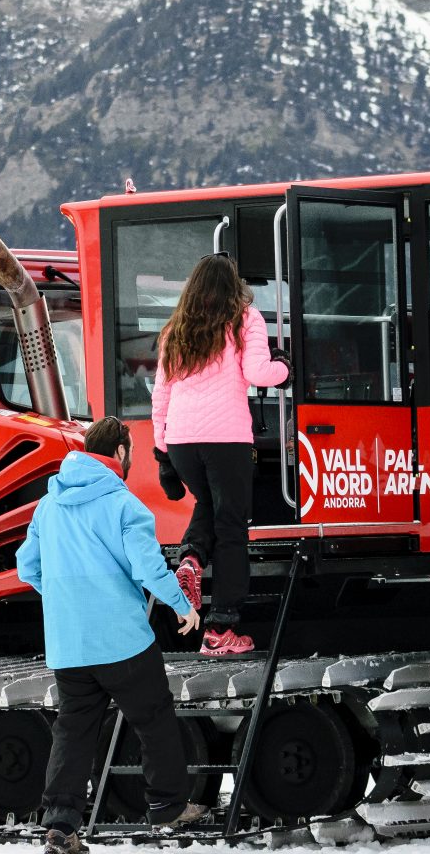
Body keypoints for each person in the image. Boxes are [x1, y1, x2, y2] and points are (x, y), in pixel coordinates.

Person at [18, 417, 206, 851]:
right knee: (154, 717)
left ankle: (61, 825)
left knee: (73, 730)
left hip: (69, 647)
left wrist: (66, 597)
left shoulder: (48, 505)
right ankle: (167, 806)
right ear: (120, 453)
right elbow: (147, 568)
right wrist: (184, 605)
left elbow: (28, 567)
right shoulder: (126, 506)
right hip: (121, 642)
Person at [151, 254, 289, 656]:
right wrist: (286, 368)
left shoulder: (175, 331)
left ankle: (191, 558)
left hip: (181, 441)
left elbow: (161, 395)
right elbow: (260, 373)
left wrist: (162, 455)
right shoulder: (245, 319)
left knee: (208, 505)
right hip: (226, 440)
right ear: (233, 286)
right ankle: (221, 628)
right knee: (231, 529)